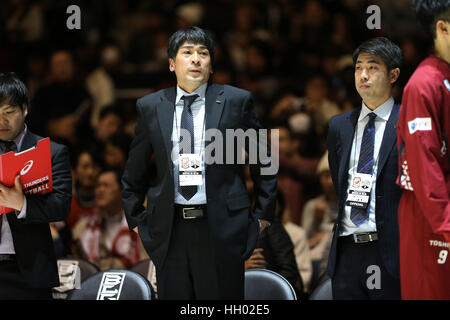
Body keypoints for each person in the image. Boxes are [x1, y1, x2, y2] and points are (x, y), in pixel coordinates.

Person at [122, 26, 277, 300]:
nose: (196, 59)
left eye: (203, 53)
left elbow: (264, 160)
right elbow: (133, 172)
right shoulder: (150, 106)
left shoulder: (236, 101)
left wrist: (262, 216)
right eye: (187, 52)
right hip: (170, 230)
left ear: (211, 65)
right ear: (172, 64)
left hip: (223, 227)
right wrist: (137, 221)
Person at [326, 37, 403, 299]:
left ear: (393, 75)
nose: (363, 75)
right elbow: (340, 184)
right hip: (346, 252)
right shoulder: (339, 126)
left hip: (389, 251)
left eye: (373, 67)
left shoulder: (406, 122)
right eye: (358, 68)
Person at [0, 72, 72, 299]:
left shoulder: (52, 151)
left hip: (29, 271)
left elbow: (61, 206)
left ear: (25, 109)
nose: (1, 121)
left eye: (8, 112)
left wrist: (22, 204)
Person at [396, 0, 450, 300]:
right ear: (442, 28)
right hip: (431, 215)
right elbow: (424, 167)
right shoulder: (422, 85)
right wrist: (446, 223)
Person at [73, 169, 147, 270]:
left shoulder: (141, 224)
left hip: (134, 279)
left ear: (122, 190)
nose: (100, 190)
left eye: (106, 185)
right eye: (98, 186)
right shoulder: (83, 227)